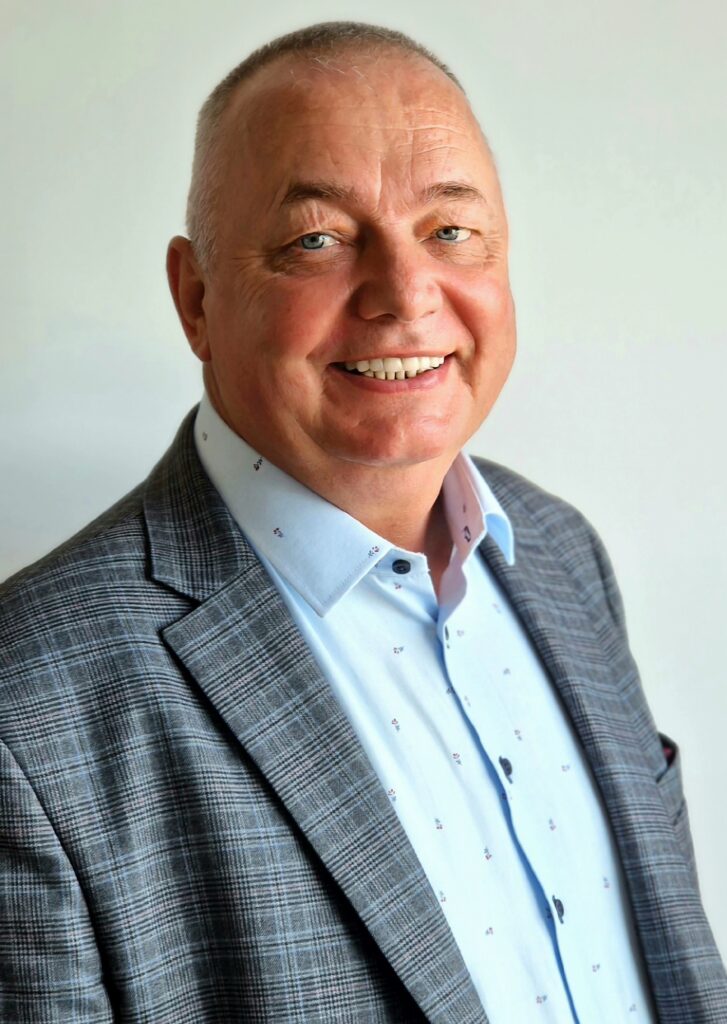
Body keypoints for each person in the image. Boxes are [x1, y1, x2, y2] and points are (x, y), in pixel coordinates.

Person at [0, 20, 724, 1024]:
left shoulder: (561, 551)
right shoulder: (27, 707)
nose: (405, 295)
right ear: (196, 298)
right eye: (318, 240)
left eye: (450, 231)